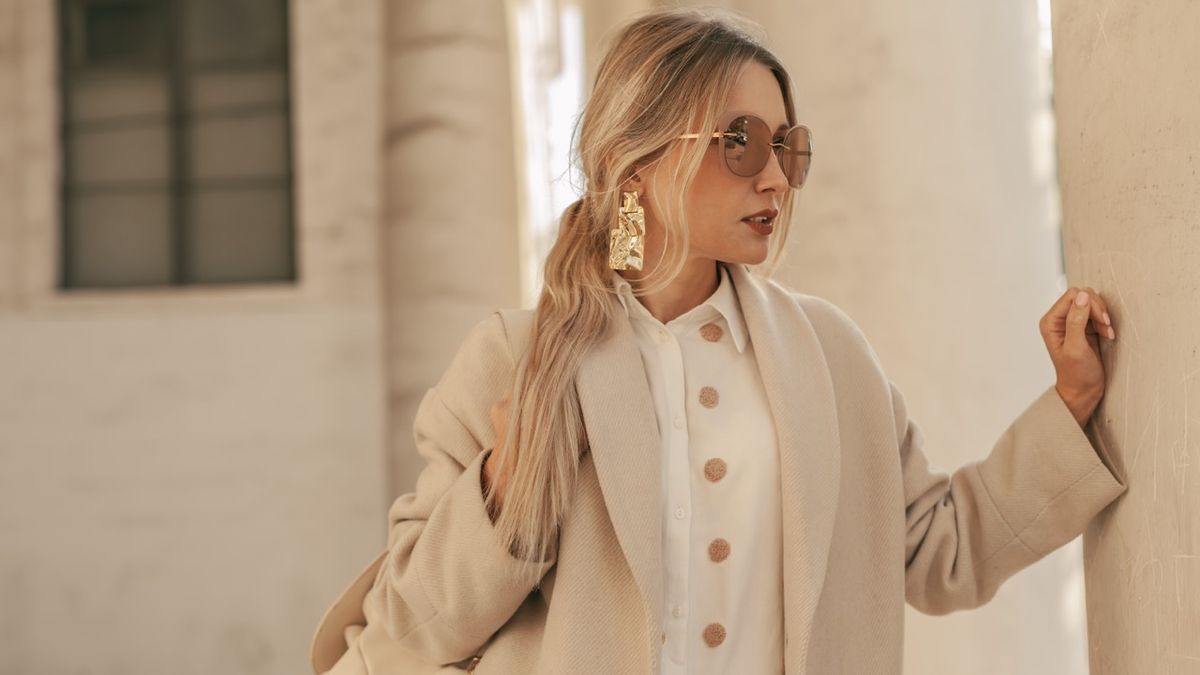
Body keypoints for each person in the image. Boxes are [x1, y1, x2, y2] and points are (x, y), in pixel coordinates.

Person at [311, 7, 1126, 674]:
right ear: (637, 161)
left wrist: (1073, 403)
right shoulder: (511, 361)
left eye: (787, 147)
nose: (774, 175)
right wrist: (498, 495)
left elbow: (941, 549)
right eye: (741, 143)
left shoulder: (831, 358)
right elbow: (401, 638)